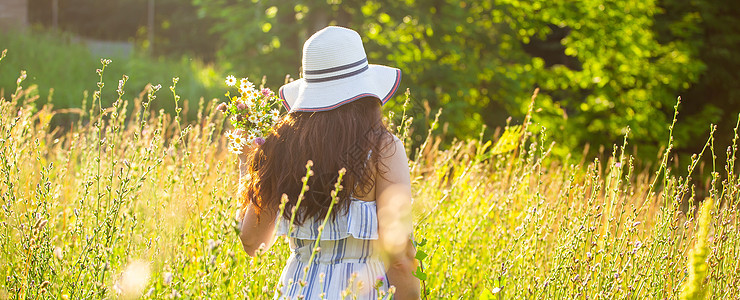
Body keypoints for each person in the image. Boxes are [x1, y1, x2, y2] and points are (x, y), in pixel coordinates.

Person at [236, 26, 421, 299]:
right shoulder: (384, 148)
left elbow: (253, 243)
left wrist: (247, 165)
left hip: (298, 290)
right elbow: (399, 257)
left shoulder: (280, 147)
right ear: (367, 92)